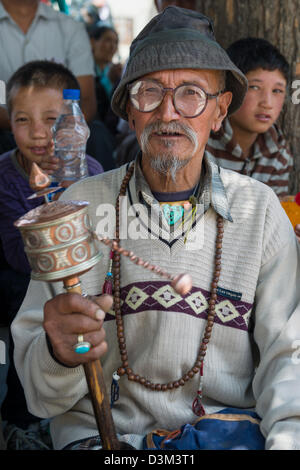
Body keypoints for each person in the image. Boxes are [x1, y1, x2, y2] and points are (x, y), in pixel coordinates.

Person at [11, 6, 300, 451]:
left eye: (191, 94)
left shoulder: (259, 212)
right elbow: (41, 395)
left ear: (219, 111)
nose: (169, 113)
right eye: (149, 92)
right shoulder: (78, 213)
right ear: (129, 109)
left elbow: (290, 358)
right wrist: (59, 354)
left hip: (226, 433)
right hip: (102, 441)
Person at [0, 60, 103, 449]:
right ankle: (21, 417)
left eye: (52, 120)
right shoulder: (6, 176)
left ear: (73, 124)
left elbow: (101, 235)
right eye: (24, 120)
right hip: (24, 279)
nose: (39, 133)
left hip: (81, 275)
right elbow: (17, 255)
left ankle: (82, 408)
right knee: (27, 312)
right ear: (10, 122)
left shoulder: (90, 171)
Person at [205, 37, 300, 240]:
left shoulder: (278, 151)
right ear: (228, 90)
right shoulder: (204, 143)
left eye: (277, 91)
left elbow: (273, 219)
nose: (267, 103)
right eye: (255, 87)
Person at [0, 0, 97, 143]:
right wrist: (27, 129)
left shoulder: (70, 27)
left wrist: (60, 130)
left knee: (97, 134)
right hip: (4, 132)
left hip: (62, 135)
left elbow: (87, 100)